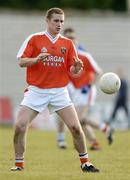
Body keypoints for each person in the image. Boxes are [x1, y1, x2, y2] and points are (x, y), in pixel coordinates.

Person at [11, 8, 99, 173]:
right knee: (20, 126)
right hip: (36, 90)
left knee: (75, 128)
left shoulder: (67, 43)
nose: (59, 24)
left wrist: (77, 68)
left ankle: (85, 163)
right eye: (56, 21)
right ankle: (19, 165)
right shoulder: (35, 39)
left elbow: (73, 71)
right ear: (47, 20)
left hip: (59, 91)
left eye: (62, 21)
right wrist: (36, 60)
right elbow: (21, 62)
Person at [57, 27, 111, 150]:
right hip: (76, 91)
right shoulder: (63, 56)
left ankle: (103, 129)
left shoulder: (84, 55)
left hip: (87, 90)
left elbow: (98, 72)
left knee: (78, 119)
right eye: (68, 38)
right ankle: (98, 138)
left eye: (73, 38)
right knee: (78, 120)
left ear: (77, 40)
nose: (71, 40)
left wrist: (90, 85)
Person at [106, 68, 130, 142]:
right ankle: (108, 126)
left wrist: (118, 98)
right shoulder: (118, 82)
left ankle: (108, 125)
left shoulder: (124, 82)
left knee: (126, 114)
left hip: (122, 101)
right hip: (119, 101)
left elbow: (123, 94)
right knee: (114, 114)